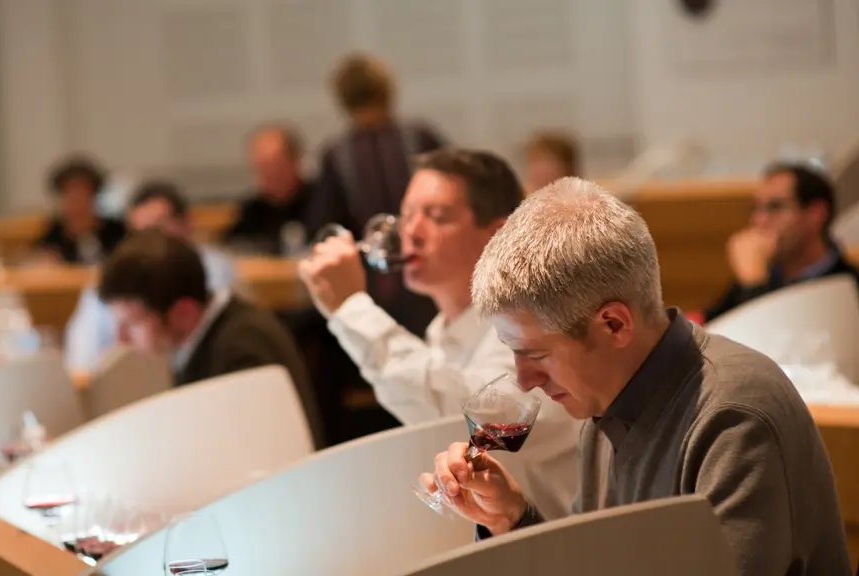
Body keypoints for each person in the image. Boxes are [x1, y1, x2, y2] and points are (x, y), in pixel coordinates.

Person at [418, 178, 850, 575]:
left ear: (614, 325)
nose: (525, 380)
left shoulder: (734, 415)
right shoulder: (603, 405)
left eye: (536, 354)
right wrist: (511, 519)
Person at [300, 149, 581, 519]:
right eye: (406, 215)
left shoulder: (532, 329)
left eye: (435, 216)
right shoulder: (442, 334)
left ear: (497, 234)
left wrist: (352, 308)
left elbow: (469, 415)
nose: (410, 232)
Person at [99, 229, 324, 447]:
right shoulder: (201, 339)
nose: (122, 338)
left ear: (183, 314)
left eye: (132, 323)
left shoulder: (243, 348)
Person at [312, 52, 447, 338]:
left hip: (374, 280)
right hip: (432, 264)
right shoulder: (419, 137)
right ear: (387, 90)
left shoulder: (338, 154)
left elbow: (326, 224)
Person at [64, 180, 236, 371]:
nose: (149, 240)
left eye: (157, 228)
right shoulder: (115, 276)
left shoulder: (214, 270)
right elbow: (82, 359)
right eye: (138, 232)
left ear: (186, 224)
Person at [704, 162, 858, 321]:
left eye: (775, 207)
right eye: (755, 208)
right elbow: (711, 334)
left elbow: (774, 341)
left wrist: (754, 283)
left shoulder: (849, 287)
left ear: (816, 214)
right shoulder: (768, 272)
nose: (758, 220)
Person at [223, 125, 319, 255]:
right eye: (261, 166)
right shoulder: (252, 209)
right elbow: (232, 246)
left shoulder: (321, 202)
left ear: (295, 161)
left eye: (274, 165)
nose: (268, 174)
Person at [35, 155, 127, 265]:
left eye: (83, 195)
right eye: (71, 196)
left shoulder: (116, 231)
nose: (77, 204)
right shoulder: (53, 237)